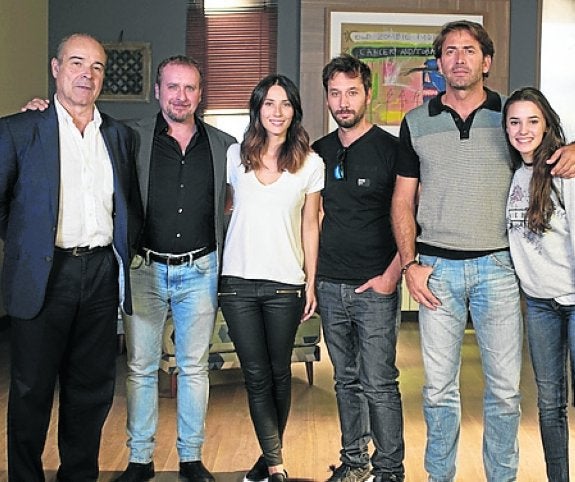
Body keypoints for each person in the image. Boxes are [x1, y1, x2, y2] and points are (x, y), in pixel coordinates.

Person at [391, 20, 575, 482]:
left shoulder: (510, 117)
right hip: (435, 271)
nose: (459, 59)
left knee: (505, 393)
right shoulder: (416, 123)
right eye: (449, 51)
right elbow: (402, 200)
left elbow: (549, 148)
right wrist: (410, 265)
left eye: (469, 50)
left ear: (486, 61)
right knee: (437, 391)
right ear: (438, 63)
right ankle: (439, 476)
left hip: (499, 268)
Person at [0, 33, 141, 482]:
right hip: (45, 276)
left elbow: (129, 206)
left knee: (91, 392)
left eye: (97, 66)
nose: (87, 74)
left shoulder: (120, 136)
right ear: (56, 68)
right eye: (77, 63)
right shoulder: (19, 130)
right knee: (31, 392)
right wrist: (30, 245)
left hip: (100, 275)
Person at [115, 56, 236, 482]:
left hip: (200, 270)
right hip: (144, 269)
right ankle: (140, 459)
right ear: (157, 91)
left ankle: (190, 458)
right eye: (172, 87)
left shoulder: (224, 145)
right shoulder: (130, 137)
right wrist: (39, 108)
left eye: (189, 88)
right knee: (141, 368)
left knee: (194, 368)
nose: (180, 96)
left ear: (200, 94)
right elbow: (81, 127)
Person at [218, 74, 323, 482]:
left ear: (295, 111)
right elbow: (226, 208)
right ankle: (277, 466)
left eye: (285, 104)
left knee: (279, 373)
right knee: (256, 375)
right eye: (269, 103)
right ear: (257, 109)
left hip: (286, 284)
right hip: (238, 284)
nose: (277, 112)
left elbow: (311, 224)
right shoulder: (234, 156)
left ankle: (268, 459)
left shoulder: (311, 163)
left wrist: (310, 281)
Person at [311, 54, 404, 482]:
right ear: (327, 97)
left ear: (369, 94)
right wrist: (313, 279)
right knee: (344, 382)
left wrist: (391, 276)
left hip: (375, 288)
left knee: (379, 383)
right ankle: (355, 463)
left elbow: (411, 217)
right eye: (335, 93)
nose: (343, 102)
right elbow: (311, 218)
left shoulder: (392, 151)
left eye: (351, 92)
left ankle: (389, 470)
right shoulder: (318, 152)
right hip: (330, 285)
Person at [503, 87, 575, 482]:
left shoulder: (565, 171)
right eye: (514, 122)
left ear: (546, 124)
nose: (523, 130)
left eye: (532, 121)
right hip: (539, 305)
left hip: (574, 301)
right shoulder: (515, 174)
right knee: (550, 404)